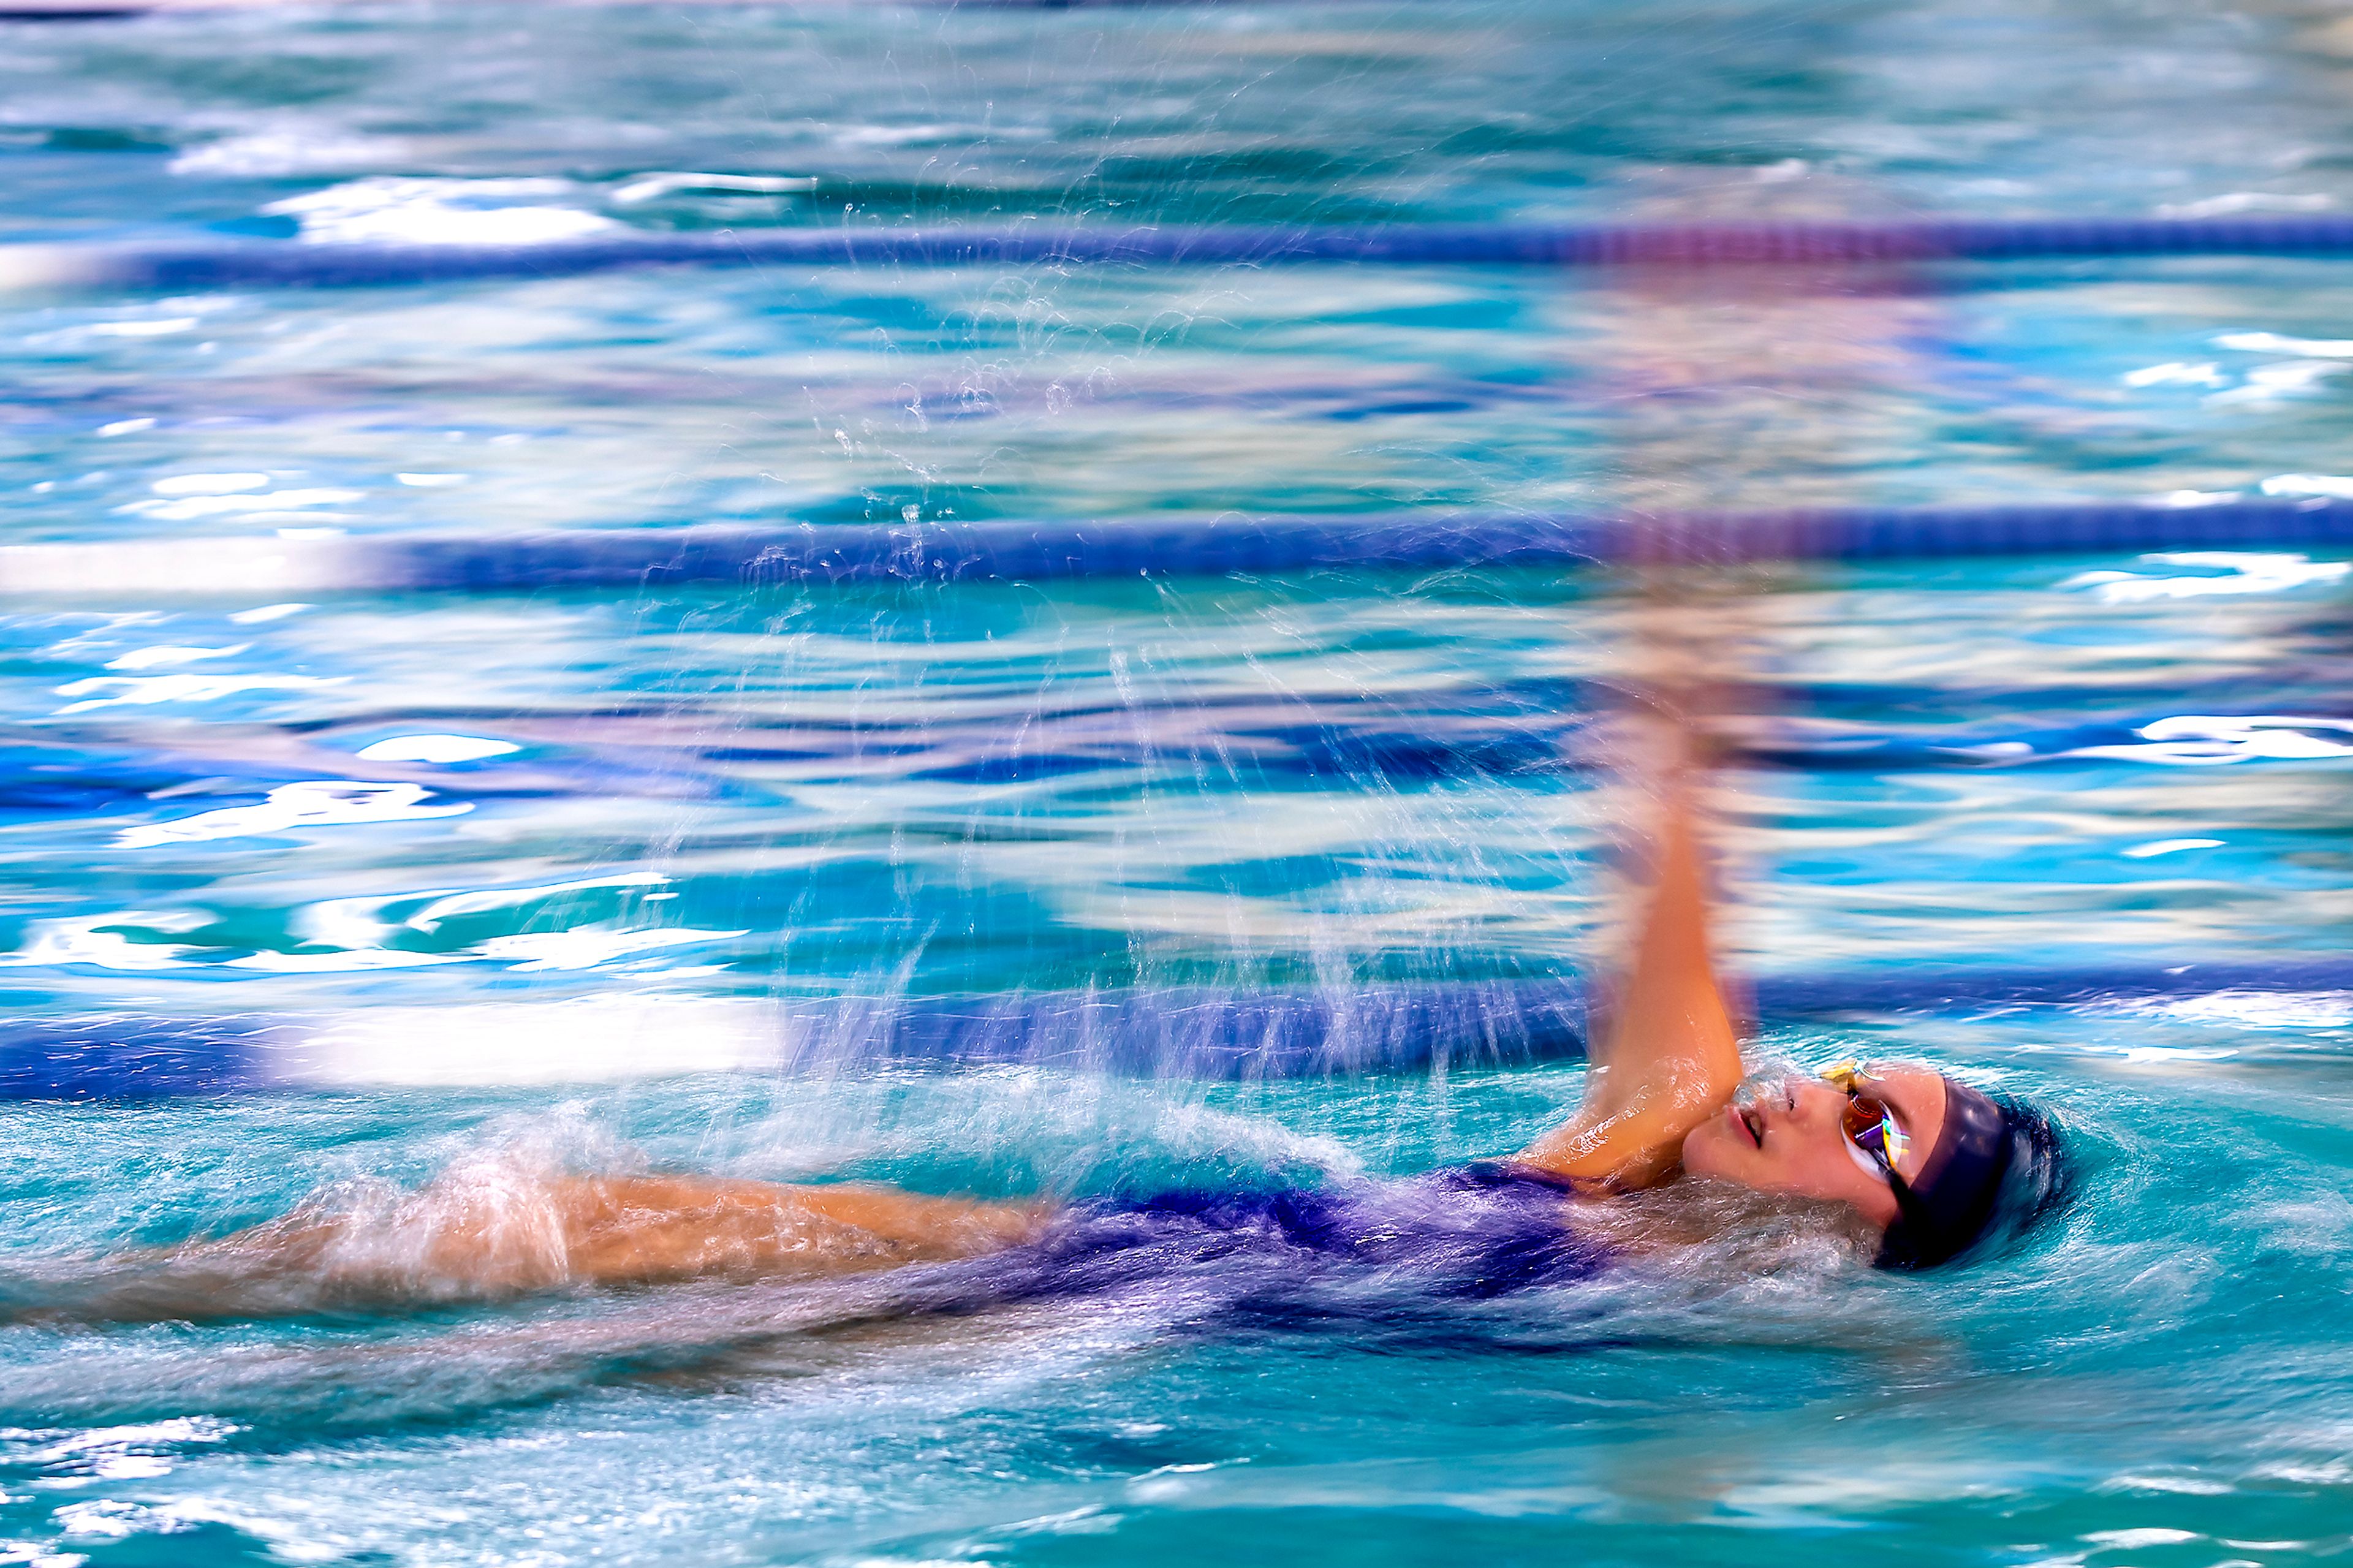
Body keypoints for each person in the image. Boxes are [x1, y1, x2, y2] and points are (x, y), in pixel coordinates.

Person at [69, 707, 2066, 1325]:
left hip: (1046, 1323)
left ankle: (67, 1314)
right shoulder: (1627, 1165)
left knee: (531, 1267)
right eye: (1842, 1070)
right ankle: (62, 1308)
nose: (1810, 1093)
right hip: (1050, 1276)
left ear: (1881, 1234)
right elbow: (1684, 956)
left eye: (1869, 1125)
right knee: (512, 1234)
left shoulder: (1715, 1294)